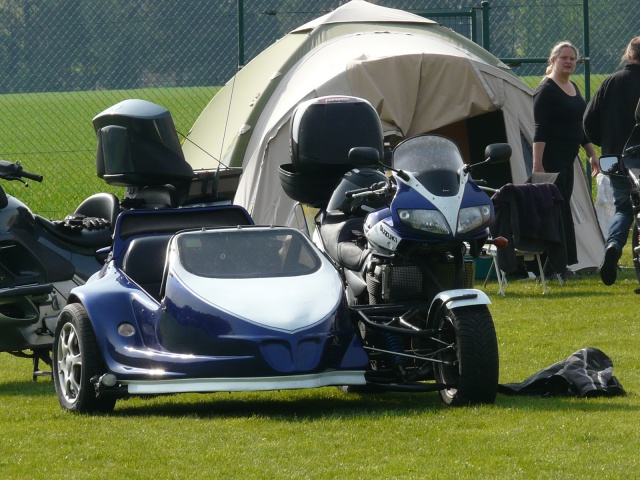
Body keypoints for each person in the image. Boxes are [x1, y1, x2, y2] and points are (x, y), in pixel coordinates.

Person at [533, 41, 598, 271]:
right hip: (551, 162)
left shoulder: (573, 87)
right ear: (553, 61)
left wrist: (591, 153)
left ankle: (563, 265)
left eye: (572, 58)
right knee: (555, 212)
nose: (569, 62)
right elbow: (540, 129)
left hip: (569, 161)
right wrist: (538, 166)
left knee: (563, 211)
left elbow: (578, 126)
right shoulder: (546, 90)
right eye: (564, 58)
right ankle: (554, 268)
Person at [584, 37, 640, 286]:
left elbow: (587, 122)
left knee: (624, 208)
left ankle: (614, 244)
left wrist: (605, 142)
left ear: (629, 55)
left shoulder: (611, 82)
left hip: (614, 158)